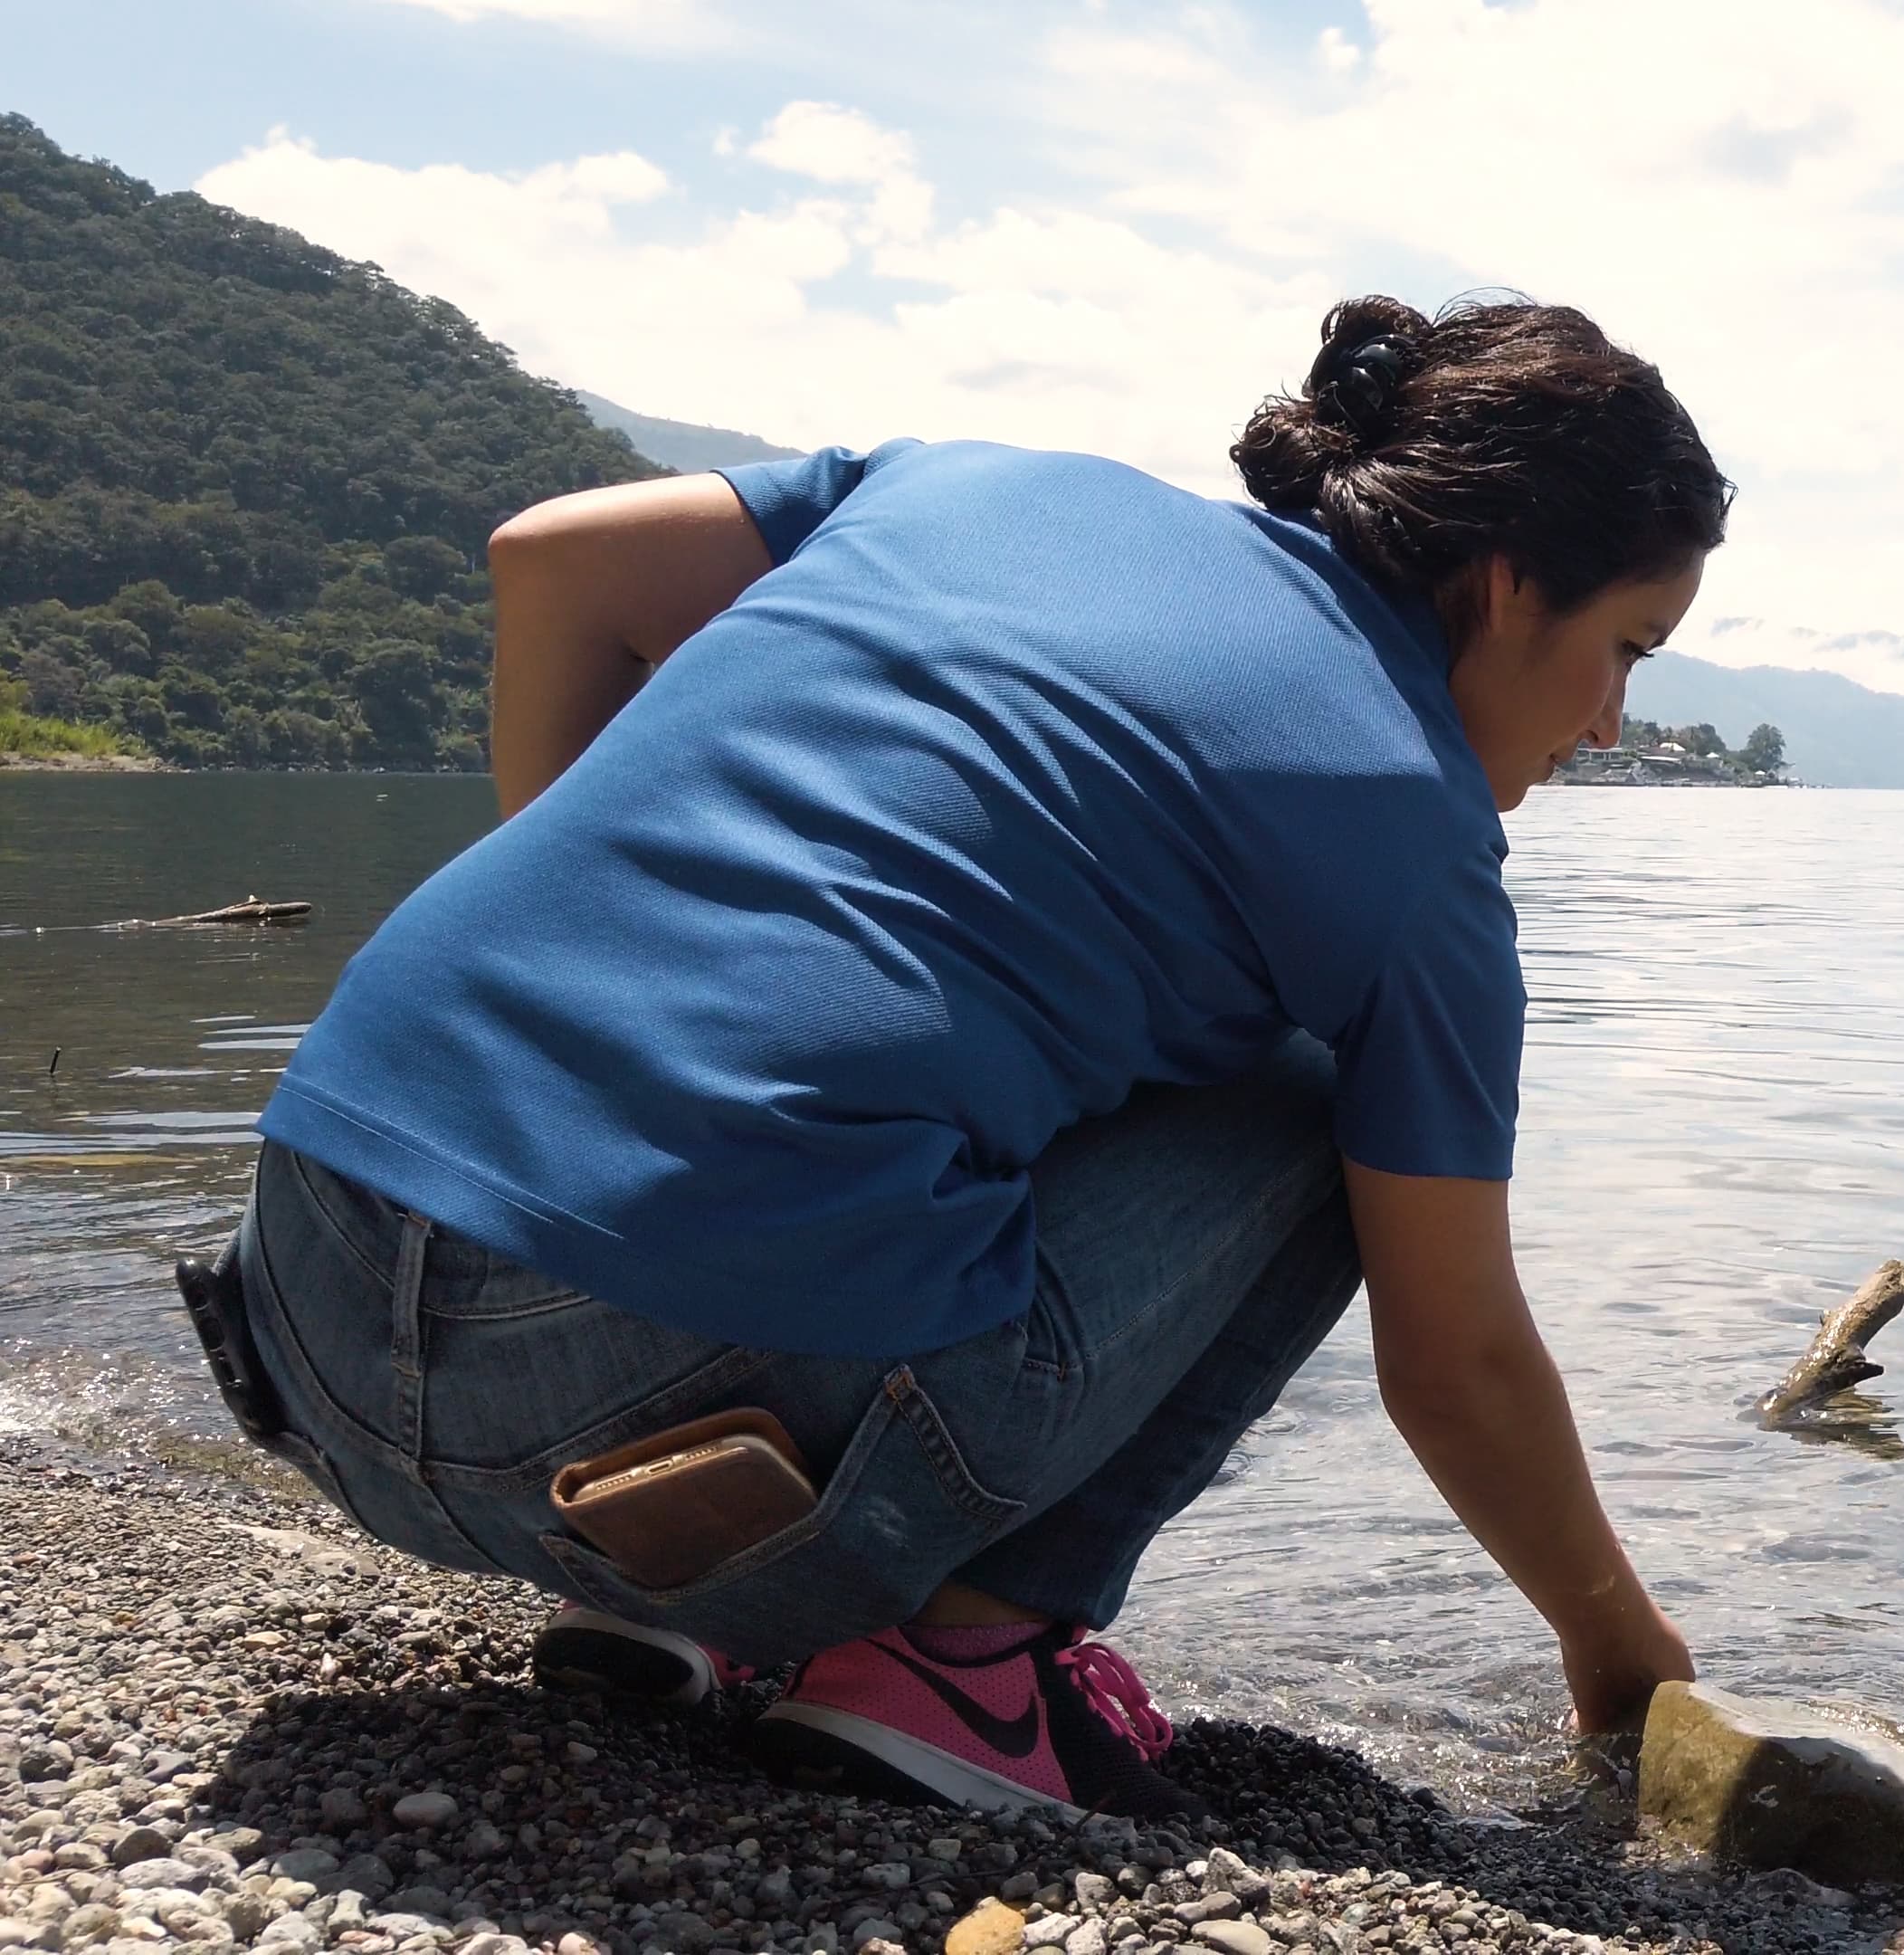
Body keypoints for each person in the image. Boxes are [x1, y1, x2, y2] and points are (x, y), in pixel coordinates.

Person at [220, 293, 1728, 1823]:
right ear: (1504, 578)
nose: (1609, 721)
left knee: (1008, 1064)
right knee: (1325, 1112)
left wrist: (586, 955)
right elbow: (1457, 1362)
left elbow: (553, 553)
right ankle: (956, 1664)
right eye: (1627, 649)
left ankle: (670, 1606)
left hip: (302, 1320)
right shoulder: (1413, 845)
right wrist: (1625, 1658)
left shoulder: (981, 484)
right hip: (651, 1423)